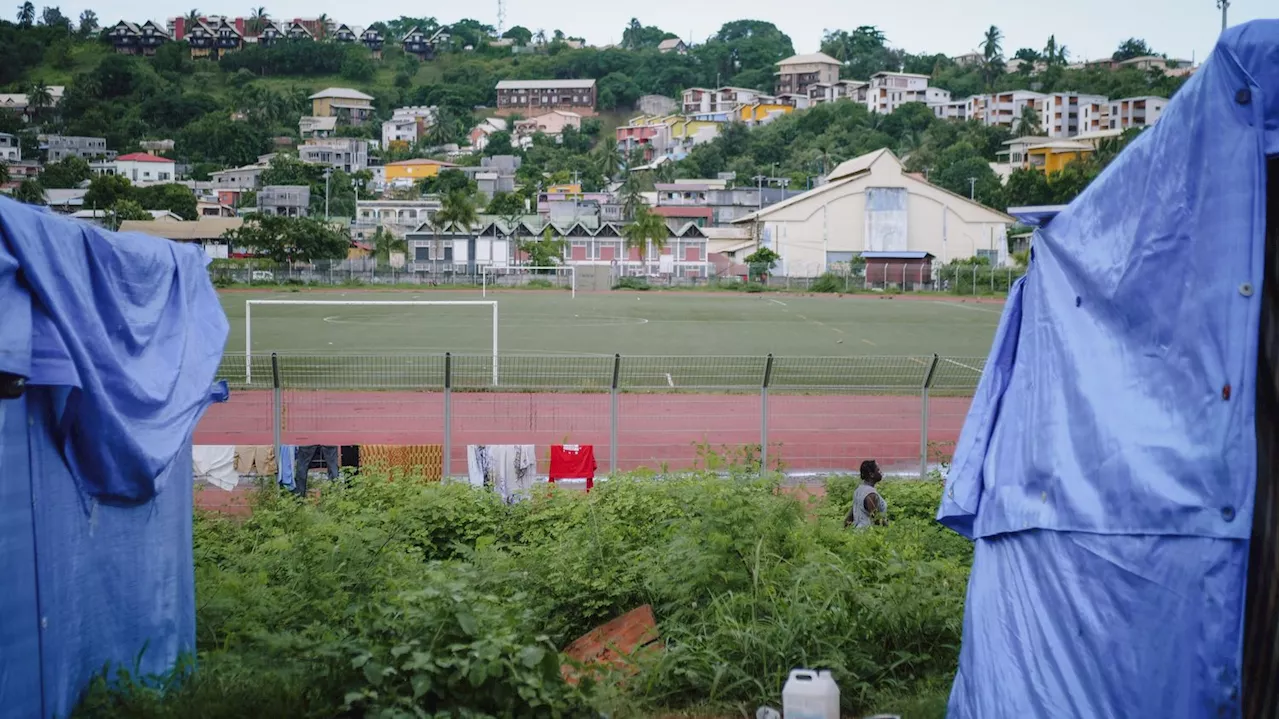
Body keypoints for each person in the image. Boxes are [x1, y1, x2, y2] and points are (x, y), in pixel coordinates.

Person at [844, 460, 888, 528]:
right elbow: (876, 519)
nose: (881, 472)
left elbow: (851, 515)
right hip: (868, 534)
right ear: (871, 474)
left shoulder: (859, 490)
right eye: (878, 470)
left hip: (857, 533)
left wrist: (844, 531)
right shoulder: (871, 494)